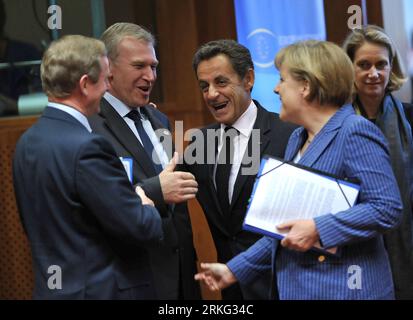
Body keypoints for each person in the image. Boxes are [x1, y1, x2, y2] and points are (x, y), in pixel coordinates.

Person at [194, 40, 403, 300]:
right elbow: (284, 228)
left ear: (306, 86)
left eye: (283, 79)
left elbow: (387, 208)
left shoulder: (354, 131)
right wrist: (233, 270)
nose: (276, 88)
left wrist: (318, 227)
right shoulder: (297, 138)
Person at [13, 35, 164, 299]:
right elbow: (141, 227)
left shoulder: (27, 142)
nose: (107, 87)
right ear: (85, 85)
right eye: (105, 79)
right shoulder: (88, 147)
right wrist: (144, 202)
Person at [88, 23, 201, 300]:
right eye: (139, 66)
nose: (150, 76)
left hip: (181, 277)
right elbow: (98, 204)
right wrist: (155, 190)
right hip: (133, 279)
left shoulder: (158, 119)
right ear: (107, 69)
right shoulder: (90, 127)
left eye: (153, 66)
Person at [182, 39, 296, 299]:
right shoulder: (200, 143)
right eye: (204, 86)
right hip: (231, 292)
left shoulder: (288, 135)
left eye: (221, 82)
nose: (211, 94)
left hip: (281, 286)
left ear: (248, 79)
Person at [343, 25, 413, 300]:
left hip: (407, 243)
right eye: (364, 65)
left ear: (391, 67)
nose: (374, 73)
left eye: (381, 64)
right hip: (357, 247)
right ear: (349, 69)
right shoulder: (337, 124)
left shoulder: (409, 117)